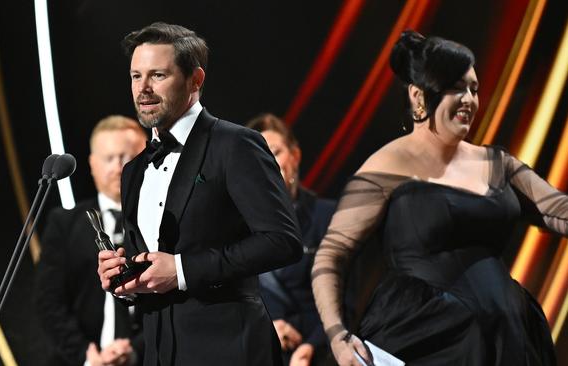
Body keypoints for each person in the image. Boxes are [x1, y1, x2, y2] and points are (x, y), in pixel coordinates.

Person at [311, 30, 563, 366]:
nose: (470, 100)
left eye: (474, 89)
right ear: (418, 95)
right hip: (425, 344)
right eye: (456, 88)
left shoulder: (498, 164)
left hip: (508, 342)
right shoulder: (386, 166)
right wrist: (338, 336)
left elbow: (557, 211)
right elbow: (331, 255)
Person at [96, 22, 302, 366]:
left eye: (157, 75)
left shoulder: (235, 145)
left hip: (231, 350)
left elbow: (282, 240)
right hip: (161, 353)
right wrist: (123, 278)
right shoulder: (133, 170)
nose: (143, 89)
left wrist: (180, 270)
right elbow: (149, 271)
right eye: (135, 76)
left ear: (196, 80)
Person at [35, 115, 147, 366]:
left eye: (127, 157)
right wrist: (87, 356)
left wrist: (136, 350)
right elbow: (49, 301)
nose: (118, 167)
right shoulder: (64, 223)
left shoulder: (165, 219)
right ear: (92, 164)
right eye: (109, 158)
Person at [247, 114, 344, 366]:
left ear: (295, 156)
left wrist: (313, 345)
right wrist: (267, 327)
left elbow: (348, 296)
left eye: (275, 152)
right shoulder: (232, 227)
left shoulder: (328, 216)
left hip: (321, 351)